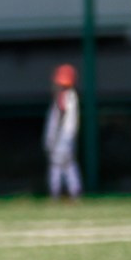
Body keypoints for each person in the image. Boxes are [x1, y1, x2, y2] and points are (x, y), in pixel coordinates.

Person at [45, 64, 81, 200]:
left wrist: (54, 139)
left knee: (58, 164)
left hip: (63, 137)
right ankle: (72, 192)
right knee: (67, 165)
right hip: (64, 137)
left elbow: (59, 121)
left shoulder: (65, 97)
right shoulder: (67, 96)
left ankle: (58, 192)